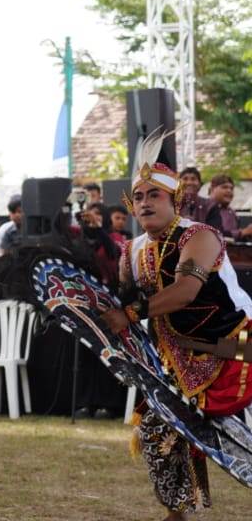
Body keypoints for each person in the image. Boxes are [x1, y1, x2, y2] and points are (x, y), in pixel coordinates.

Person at [101, 136, 252, 519]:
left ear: (176, 201)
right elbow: (120, 299)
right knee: (156, 430)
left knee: (243, 442)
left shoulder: (200, 235)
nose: (145, 203)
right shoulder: (132, 251)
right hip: (178, 358)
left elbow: (185, 291)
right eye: (139, 197)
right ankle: (178, 513)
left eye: (155, 195)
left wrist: (129, 313)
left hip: (237, 347)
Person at [197, 174, 252, 240]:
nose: (229, 191)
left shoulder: (232, 212)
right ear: (212, 189)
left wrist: (248, 232)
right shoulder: (204, 208)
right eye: (224, 187)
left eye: (231, 188)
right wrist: (242, 233)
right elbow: (215, 234)